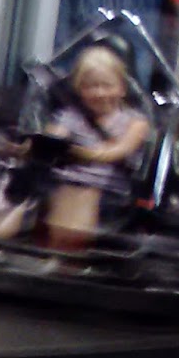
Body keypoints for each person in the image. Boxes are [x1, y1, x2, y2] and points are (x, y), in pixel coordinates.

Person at [40, 43, 151, 250]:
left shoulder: (136, 123)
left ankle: (67, 255)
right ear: (79, 89)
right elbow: (53, 137)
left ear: (122, 88)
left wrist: (79, 152)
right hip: (66, 181)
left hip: (107, 190)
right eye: (91, 86)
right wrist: (38, 144)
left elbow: (118, 151)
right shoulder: (70, 116)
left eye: (107, 86)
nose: (100, 93)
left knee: (81, 197)